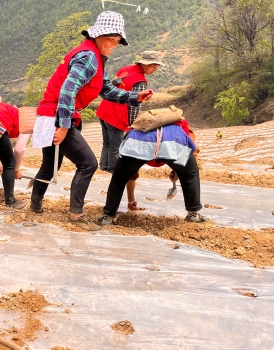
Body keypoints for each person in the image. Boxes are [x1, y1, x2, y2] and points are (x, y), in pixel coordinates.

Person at [29, 11, 154, 231]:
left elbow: (105, 89)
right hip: (57, 116)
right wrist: (64, 126)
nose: (114, 45)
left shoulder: (95, 56)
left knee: (50, 165)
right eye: (111, 40)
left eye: (117, 42)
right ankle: (76, 215)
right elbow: (68, 90)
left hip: (53, 113)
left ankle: (35, 206)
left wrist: (134, 96)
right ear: (99, 35)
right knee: (88, 163)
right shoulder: (88, 57)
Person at [97, 119, 206, 225]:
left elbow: (130, 174)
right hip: (172, 139)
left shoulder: (135, 128)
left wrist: (131, 200)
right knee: (191, 174)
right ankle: (193, 215)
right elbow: (189, 155)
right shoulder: (182, 126)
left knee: (119, 177)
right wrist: (178, 171)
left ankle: (108, 217)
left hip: (138, 140)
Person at [97, 51, 164, 210]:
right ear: (146, 64)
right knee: (116, 147)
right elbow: (135, 104)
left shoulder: (126, 69)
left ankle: (105, 165)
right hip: (117, 114)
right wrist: (133, 125)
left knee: (107, 143)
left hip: (105, 109)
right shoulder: (140, 81)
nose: (155, 69)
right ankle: (116, 172)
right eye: (154, 66)